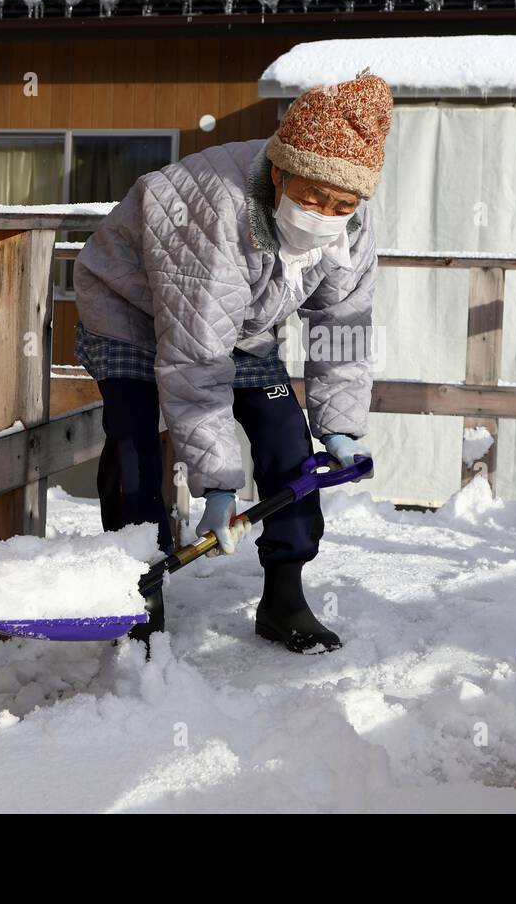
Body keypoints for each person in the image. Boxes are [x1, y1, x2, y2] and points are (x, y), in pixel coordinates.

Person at [73, 69, 393, 654]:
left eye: (341, 203)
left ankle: (285, 596)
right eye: (312, 196)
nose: (326, 212)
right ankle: (135, 600)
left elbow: (340, 321)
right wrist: (218, 486)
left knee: (287, 444)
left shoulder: (354, 222)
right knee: (135, 445)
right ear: (279, 172)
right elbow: (196, 361)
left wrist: (341, 426)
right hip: (128, 307)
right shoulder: (221, 212)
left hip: (241, 323)